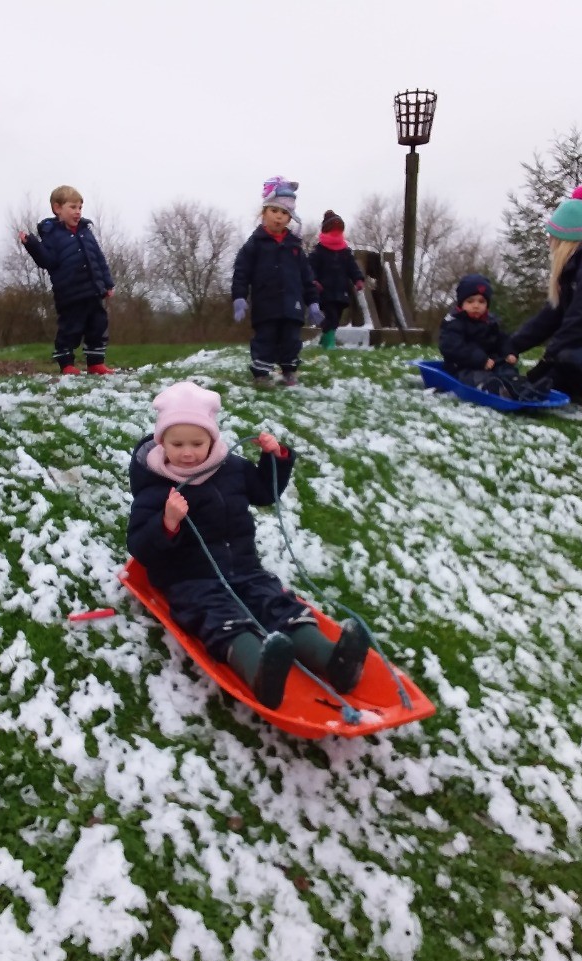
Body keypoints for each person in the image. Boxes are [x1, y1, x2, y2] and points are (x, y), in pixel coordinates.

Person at [127, 380, 369, 711]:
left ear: (212, 439)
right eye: (177, 443)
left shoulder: (231, 468)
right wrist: (167, 523)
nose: (187, 452)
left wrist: (275, 459)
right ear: (161, 443)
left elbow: (264, 492)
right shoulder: (157, 488)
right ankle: (260, 670)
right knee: (222, 617)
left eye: (197, 443)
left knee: (275, 604)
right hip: (190, 579)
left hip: (244, 569)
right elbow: (140, 546)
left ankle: (333, 662)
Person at [511, 186, 582, 407]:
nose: (549, 242)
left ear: (565, 239)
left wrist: (549, 357)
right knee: (550, 378)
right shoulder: (575, 266)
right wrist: (509, 346)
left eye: (552, 237)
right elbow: (551, 317)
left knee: (567, 359)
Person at [231, 177, 323, 387]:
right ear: (264, 213)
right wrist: (239, 296)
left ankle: (289, 371)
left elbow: (306, 276)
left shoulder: (294, 247)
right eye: (274, 211)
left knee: (291, 339)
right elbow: (241, 271)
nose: (279, 217)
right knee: (266, 338)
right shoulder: (255, 245)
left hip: (293, 304)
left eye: (284, 213)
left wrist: (314, 302)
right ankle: (261, 374)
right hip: (266, 303)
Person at [19, 186, 115, 376]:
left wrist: (107, 282)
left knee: (98, 325)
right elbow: (47, 261)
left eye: (80, 207)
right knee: (70, 328)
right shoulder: (52, 234)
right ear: (57, 208)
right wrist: (32, 245)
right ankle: (66, 363)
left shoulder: (86, 232)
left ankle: (96, 362)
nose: (78, 212)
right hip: (69, 294)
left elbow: (99, 258)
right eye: (73, 207)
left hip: (93, 290)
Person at [439, 274, 545, 399]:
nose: (476, 306)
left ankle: (521, 387)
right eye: (470, 301)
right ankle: (492, 388)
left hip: (490, 363)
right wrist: (480, 360)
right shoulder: (454, 322)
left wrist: (509, 353)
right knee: (476, 376)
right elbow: (452, 347)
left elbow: (502, 340)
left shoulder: (491, 322)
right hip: (463, 366)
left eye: (481, 301)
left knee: (506, 370)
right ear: (461, 303)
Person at [309, 210, 365, 350]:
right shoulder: (319, 251)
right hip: (325, 291)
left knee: (336, 317)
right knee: (331, 315)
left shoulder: (345, 251)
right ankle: (329, 342)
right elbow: (310, 268)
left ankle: (325, 337)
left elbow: (352, 267)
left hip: (341, 290)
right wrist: (313, 281)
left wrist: (358, 279)